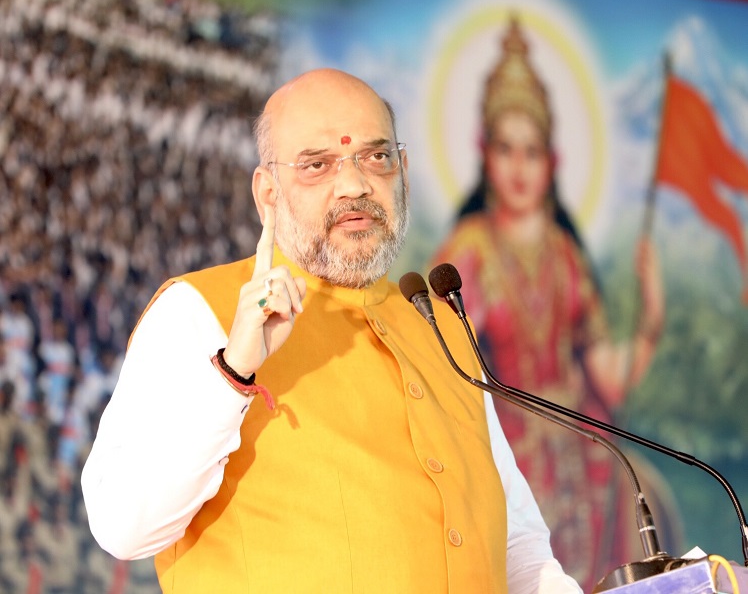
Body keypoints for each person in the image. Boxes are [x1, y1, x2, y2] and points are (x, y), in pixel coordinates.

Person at [81, 67, 582, 593]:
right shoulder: (199, 311)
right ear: (268, 194)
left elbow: (516, 544)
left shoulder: (441, 324)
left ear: (403, 171)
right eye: (317, 165)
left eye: (376, 157)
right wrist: (233, 371)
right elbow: (123, 526)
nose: (355, 184)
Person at [431, 17, 676, 592]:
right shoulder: (469, 250)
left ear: (553, 161)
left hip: (584, 444)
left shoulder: (566, 254)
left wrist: (651, 320)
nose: (519, 167)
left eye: (532, 152)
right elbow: (441, 356)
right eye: (506, 149)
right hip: (507, 442)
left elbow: (608, 381)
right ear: (484, 153)